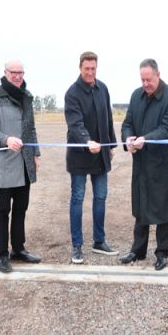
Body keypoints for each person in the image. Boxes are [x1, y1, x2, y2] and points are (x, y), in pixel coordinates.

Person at [119, 58, 168, 271]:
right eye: (142, 79)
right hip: (141, 163)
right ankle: (137, 250)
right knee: (141, 208)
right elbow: (127, 123)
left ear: (158, 75)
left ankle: (162, 253)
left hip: (162, 165)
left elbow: (167, 128)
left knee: (164, 211)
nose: (145, 84)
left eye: (149, 79)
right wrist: (128, 138)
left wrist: (144, 139)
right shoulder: (136, 96)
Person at [0, 60, 41, 273]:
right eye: (13, 72)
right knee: (3, 209)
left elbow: (31, 128)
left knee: (21, 207)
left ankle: (18, 248)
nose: (18, 76)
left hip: (24, 162)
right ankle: (1, 254)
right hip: (5, 162)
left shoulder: (27, 96)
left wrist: (35, 153)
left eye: (21, 72)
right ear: (5, 73)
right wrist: (6, 139)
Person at [64, 51, 118, 264]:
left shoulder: (102, 88)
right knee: (77, 198)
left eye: (93, 68)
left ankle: (99, 241)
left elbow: (108, 118)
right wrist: (87, 141)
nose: (90, 72)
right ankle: (77, 246)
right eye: (86, 68)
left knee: (101, 196)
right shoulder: (72, 93)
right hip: (80, 155)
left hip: (100, 155)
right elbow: (75, 124)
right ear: (80, 68)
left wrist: (111, 145)